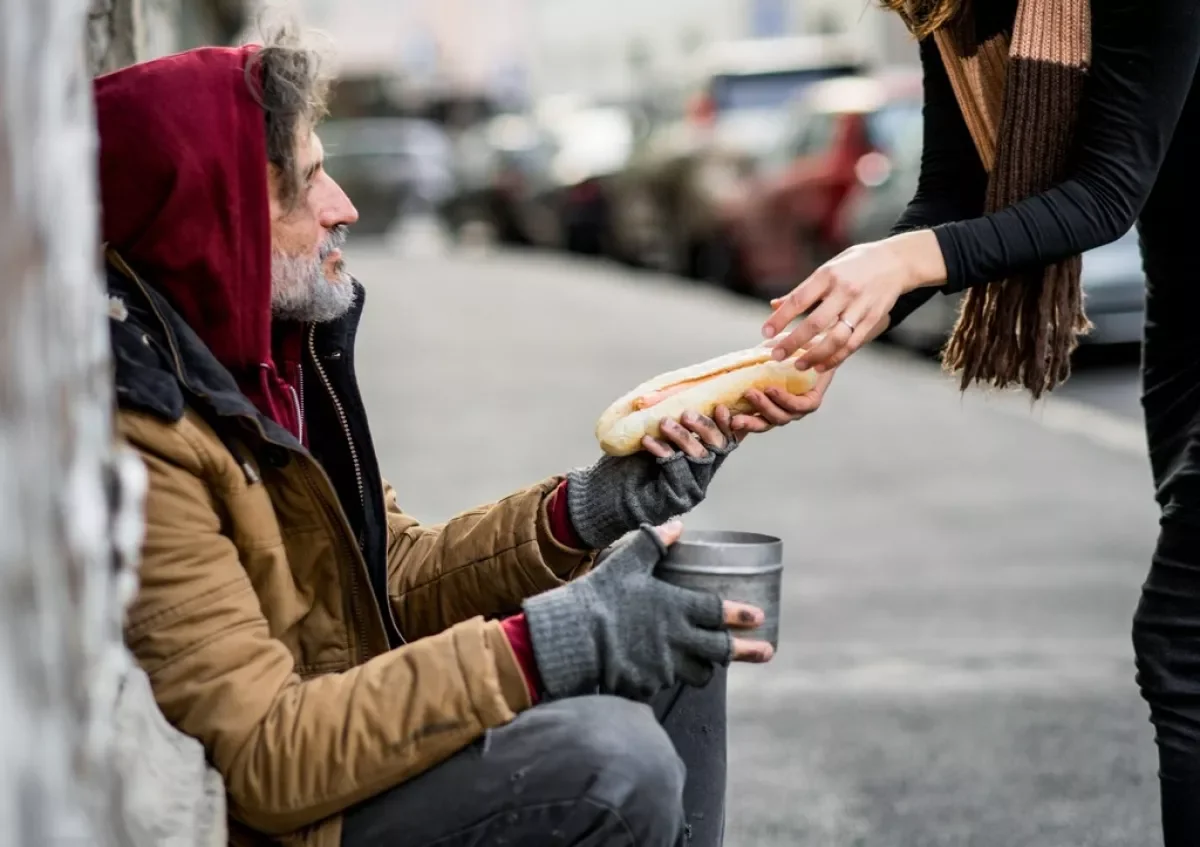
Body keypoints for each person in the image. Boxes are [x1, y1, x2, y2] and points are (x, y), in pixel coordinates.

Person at [96, 24, 823, 847]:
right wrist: (560, 638)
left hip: (340, 747)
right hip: (282, 815)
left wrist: (587, 508)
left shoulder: (260, 369)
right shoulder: (148, 435)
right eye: (307, 181)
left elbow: (387, 575)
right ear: (216, 220)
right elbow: (268, 752)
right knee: (611, 761)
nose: (345, 205)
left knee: (673, 629)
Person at [756, 0, 1200, 842]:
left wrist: (895, 261)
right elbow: (952, 199)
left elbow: (1104, 192)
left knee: (1183, 643)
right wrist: (829, 338)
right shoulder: (950, 7)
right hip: (1183, 316)